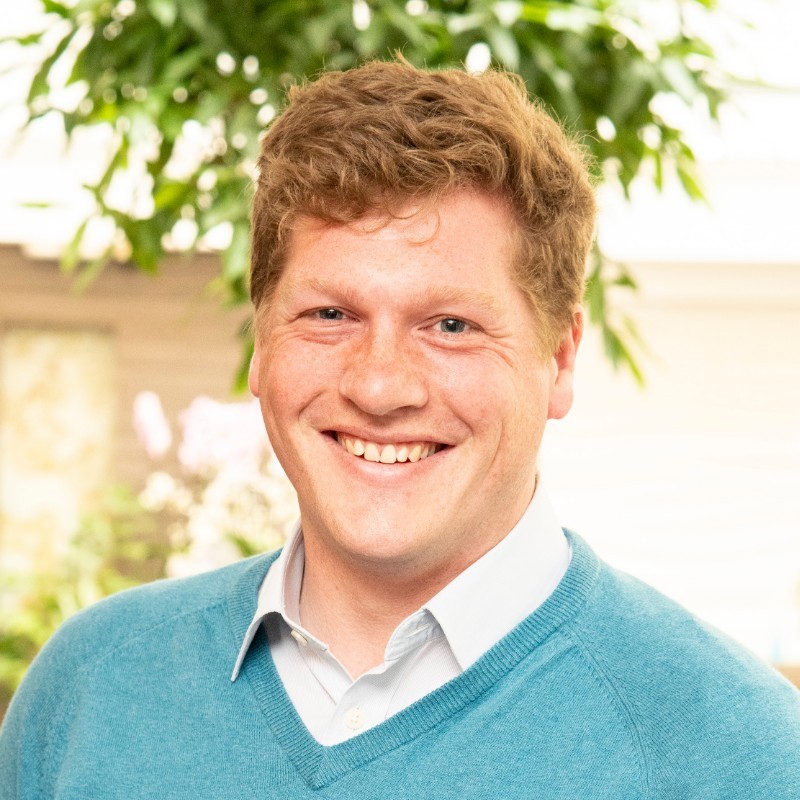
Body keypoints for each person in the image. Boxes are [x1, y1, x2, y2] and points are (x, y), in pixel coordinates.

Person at [1, 59, 799, 799]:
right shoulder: (90, 691)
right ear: (259, 343)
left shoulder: (738, 751)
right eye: (329, 314)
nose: (379, 386)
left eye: (449, 325)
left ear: (559, 359)